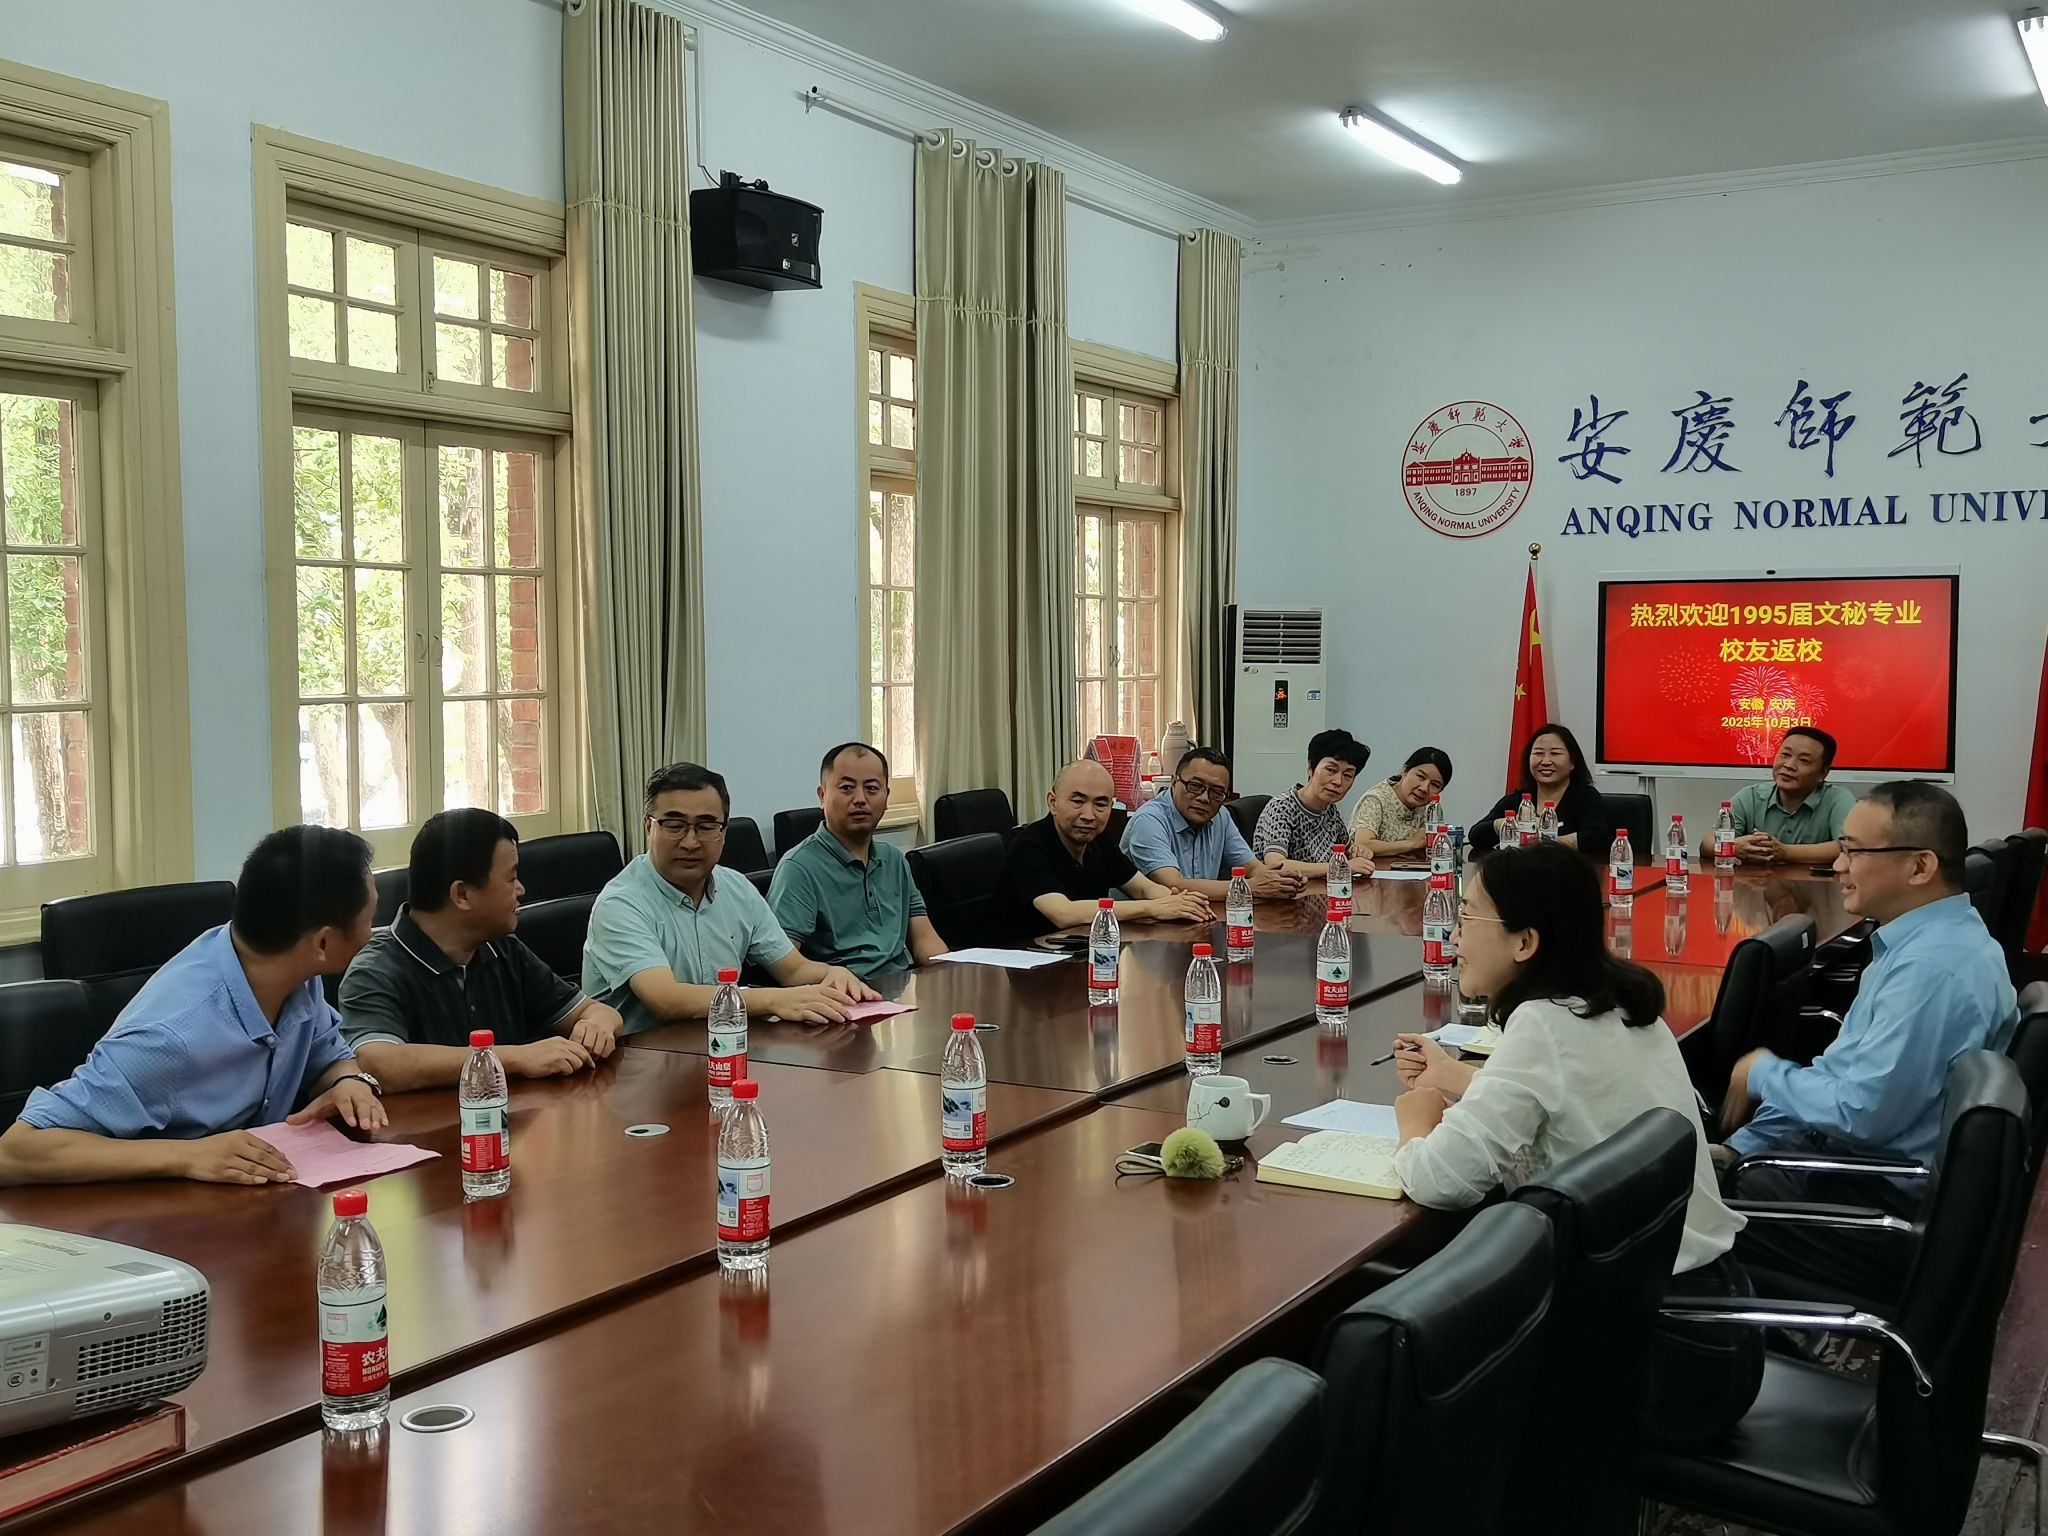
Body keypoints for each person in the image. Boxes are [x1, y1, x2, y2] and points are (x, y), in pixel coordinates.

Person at [1389, 842, 1762, 1447]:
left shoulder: (1540, 1024)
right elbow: (1576, 1100)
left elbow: (1441, 1181)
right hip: (1713, 1322)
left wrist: (1417, 1120)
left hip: (1657, 1360)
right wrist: (1460, 1079)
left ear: (1525, 941)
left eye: (1466, 915)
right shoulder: (1621, 1003)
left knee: (1414, 1369)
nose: (1452, 934)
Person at [1717, 781, 2017, 1298]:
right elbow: (1841, 1073)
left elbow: (1861, 1112)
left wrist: (1761, 1072)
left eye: (1853, 852)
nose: (1838, 866)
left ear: (1919, 867)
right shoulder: (1920, 943)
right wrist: (1740, 1147)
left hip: (1878, 1202)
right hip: (1856, 1167)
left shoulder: (1932, 970)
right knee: (1689, 1181)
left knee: (1662, 1217)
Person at [0, 826, 387, 1187]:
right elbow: (15, 1151)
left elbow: (328, 1056)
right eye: (369, 920)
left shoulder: (295, 974)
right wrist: (187, 1155)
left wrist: (348, 1081)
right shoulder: (168, 1038)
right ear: (322, 943)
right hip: (152, 1221)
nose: (371, 934)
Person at [339, 809, 628, 1092]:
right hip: (426, 1123)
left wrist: (598, 1025)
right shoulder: (375, 969)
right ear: (462, 895)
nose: (521, 890)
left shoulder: (502, 948)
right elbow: (379, 1064)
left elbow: (593, 1011)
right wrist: (517, 1057)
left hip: (507, 1118)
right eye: (511, 878)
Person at [584, 763, 878, 1033]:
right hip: (639, 1062)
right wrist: (776, 1000)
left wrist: (832, 974)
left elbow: (794, 969)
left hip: (722, 1048)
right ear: (649, 827)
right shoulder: (620, 904)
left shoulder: (736, 888)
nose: (690, 842)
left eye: (706, 827)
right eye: (674, 825)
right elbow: (666, 1000)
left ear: (724, 833)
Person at [770, 743, 950, 977]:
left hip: (900, 987)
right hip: (842, 992)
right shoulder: (799, 868)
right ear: (822, 796)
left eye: (872, 788)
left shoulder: (894, 859)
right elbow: (783, 966)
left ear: (886, 796)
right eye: (846, 788)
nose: (860, 799)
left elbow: (924, 939)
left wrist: (951, 974)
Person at [1000, 759, 1216, 940]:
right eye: (1078, 801)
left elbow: (1144, 889)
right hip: (1025, 962)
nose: (1088, 815)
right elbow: (1063, 913)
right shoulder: (1029, 846)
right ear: (1053, 802)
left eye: (1100, 804)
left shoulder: (1098, 841)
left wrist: (1184, 903)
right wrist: (1153, 908)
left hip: (1082, 951)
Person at [1119, 745, 1303, 902]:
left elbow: (1253, 868)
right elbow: (1172, 885)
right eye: (1195, 786)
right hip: (1147, 927)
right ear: (1174, 782)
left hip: (1200, 917)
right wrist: (1248, 887)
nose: (1204, 798)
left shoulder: (1220, 815)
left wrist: (1282, 881)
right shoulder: (1149, 820)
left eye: (1216, 792)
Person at [1700, 727, 1856, 866]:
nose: (1789, 765)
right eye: (1785, 755)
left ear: (1823, 773)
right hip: (1758, 886)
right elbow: (1708, 843)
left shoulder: (1838, 799)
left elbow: (1849, 847)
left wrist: (1785, 852)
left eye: (1804, 760)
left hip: (1819, 887)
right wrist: (1735, 848)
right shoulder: (1751, 796)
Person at [1251, 728, 1377, 879]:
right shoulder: (1282, 807)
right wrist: (1340, 866)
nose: (1338, 781)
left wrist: (1357, 850)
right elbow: (1276, 865)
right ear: (1311, 768)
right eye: (1331, 770)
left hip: (1318, 889)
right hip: (1284, 892)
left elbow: (1344, 849)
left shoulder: (1329, 809)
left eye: (1348, 775)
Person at [1467, 723, 1611, 854]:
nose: (1546, 761)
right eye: (1538, 753)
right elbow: (1475, 835)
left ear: (1572, 762)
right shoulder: (1519, 799)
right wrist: (1502, 824)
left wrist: (1545, 841)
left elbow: (1598, 838)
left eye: (1555, 753)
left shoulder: (1585, 797)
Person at [1348, 747, 1454, 859]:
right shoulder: (1375, 799)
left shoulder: (1430, 808)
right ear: (1405, 771)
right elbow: (1363, 844)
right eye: (1421, 777)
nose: (1424, 788)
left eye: (1435, 785)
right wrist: (1413, 844)